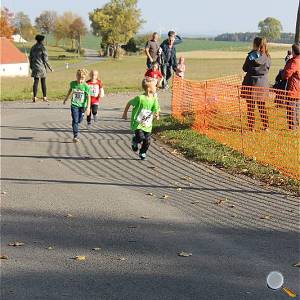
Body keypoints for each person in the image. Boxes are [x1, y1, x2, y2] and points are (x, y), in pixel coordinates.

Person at [122, 79, 160, 160]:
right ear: (149, 89)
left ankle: (142, 152)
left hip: (147, 124)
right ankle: (135, 141)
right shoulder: (140, 98)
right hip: (138, 123)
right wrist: (125, 113)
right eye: (154, 86)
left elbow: (156, 108)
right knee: (141, 137)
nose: (156, 88)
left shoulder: (154, 99)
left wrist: (157, 114)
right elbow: (129, 103)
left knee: (148, 141)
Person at [242, 37, 271, 131]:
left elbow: (244, 68)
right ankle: (266, 127)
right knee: (262, 107)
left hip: (250, 84)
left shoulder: (250, 56)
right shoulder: (267, 56)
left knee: (250, 107)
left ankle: (252, 128)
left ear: (255, 44)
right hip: (262, 84)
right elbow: (268, 68)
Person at [63, 69, 91, 143]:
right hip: (74, 105)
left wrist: (88, 107)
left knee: (79, 120)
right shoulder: (73, 83)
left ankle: (75, 123)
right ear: (76, 76)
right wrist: (66, 98)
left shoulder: (86, 86)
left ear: (84, 78)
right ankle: (75, 136)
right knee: (75, 120)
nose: (80, 80)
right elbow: (70, 90)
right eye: (79, 78)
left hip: (82, 106)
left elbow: (88, 97)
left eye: (82, 79)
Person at [29, 34, 52, 103]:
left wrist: (31, 66)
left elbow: (30, 58)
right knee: (43, 82)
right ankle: (44, 97)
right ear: (42, 40)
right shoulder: (43, 48)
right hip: (41, 67)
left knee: (35, 82)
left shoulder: (33, 47)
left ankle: (34, 97)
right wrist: (50, 67)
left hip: (35, 67)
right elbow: (45, 59)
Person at [282, 44, 300, 130]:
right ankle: (296, 126)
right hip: (298, 88)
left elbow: (286, 74)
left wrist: (287, 62)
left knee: (291, 108)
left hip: (293, 87)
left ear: (294, 51)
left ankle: (292, 128)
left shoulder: (294, 61)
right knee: (296, 108)